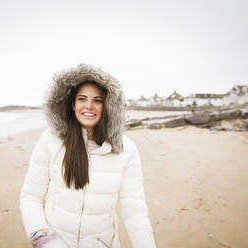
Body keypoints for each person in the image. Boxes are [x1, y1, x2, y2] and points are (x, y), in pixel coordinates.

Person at [20, 64, 156, 248]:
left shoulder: (126, 150)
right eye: (82, 99)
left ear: (107, 105)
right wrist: (44, 239)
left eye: (97, 100)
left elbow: (135, 211)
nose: (89, 106)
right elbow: (31, 196)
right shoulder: (50, 141)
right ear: (72, 104)